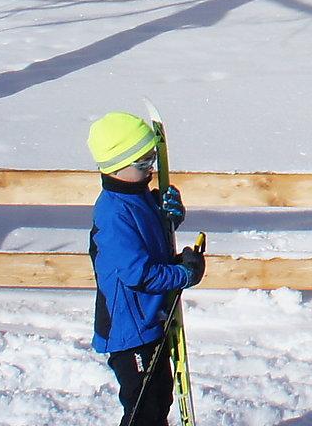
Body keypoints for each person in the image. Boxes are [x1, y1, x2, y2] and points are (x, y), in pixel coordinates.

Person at [87, 110, 205, 426]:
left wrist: (169, 217)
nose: (150, 169)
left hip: (150, 318)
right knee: (144, 408)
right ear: (116, 166)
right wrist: (184, 275)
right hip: (130, 329)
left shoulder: (138, 197)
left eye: (151, 159)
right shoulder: (113, 214)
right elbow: (137, 272)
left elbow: (152, 240)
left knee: (160, 396)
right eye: (142, 164)